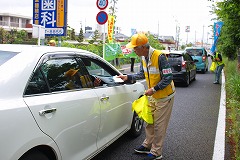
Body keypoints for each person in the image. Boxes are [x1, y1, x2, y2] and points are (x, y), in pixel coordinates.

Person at [118, 33, 175, 160]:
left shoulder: (159, 56)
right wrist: (128, 77)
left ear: (143, 47)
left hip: (164, 96)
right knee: (149, 121)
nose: (134, 50)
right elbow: (142, 74)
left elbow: (168, 77)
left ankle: (156, 152)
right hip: (152, 95)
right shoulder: (143, 57)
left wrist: (154, 89)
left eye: (135, 48)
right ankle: (147, 145)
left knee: (159, 125)